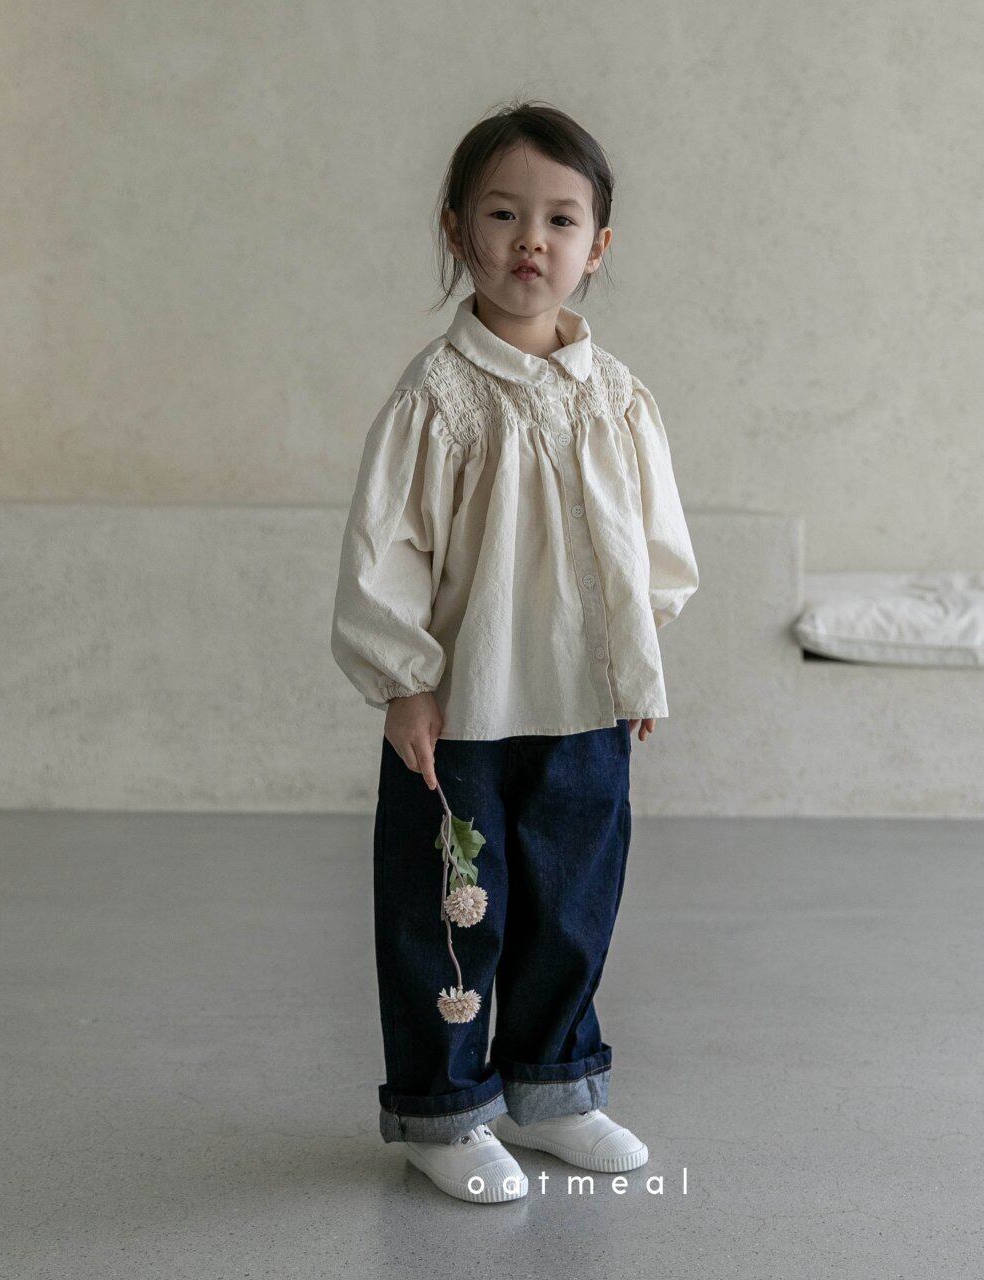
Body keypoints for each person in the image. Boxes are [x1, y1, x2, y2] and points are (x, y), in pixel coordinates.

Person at [329, 100, 699, 1203]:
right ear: (455, 230)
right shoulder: (438, 398)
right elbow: (385, 551)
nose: (530, 240)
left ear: (598, 246)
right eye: (502, 214)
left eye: (559, 219)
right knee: (452, 909)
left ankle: (555, 1088)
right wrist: (405, 682)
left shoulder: (617, 399)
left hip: (585, 701)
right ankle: (443, 1110)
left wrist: (637, 656)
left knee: (570, 902)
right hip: (465, 711)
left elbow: (655, 543)